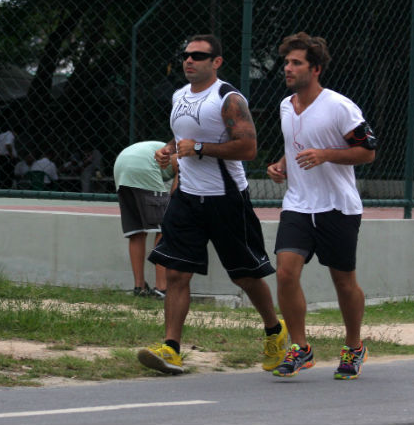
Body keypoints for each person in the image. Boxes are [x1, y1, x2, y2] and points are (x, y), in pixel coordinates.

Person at [137, 34, 289, 375]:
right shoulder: (179, 96)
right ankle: (171, 349)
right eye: (186, 55)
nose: (189, 60)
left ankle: (274, 331)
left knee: (246, 277)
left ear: (216, 62)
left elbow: (247, 148)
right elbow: (183, 137)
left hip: (227, 199)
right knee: (176, 272)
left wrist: (200, 148)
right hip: (187, 197)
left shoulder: (228, 99)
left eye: (198, 56)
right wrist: (169, 149)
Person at [267, 32, 377, 379]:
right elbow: (296, 143)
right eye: (286, 62)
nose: (288, 68)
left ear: (315, 69)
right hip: (298, 204)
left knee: (343, 282)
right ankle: (300, 347)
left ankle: (354, 346)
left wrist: (327, 155)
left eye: (296, 63)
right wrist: (281, 165)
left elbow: (368, 152)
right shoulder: (287, 105)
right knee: (285, 272)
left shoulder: (340, 107)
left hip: (337, 207)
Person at [113, 141, 178, 299]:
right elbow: (175, 193)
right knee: (163, 229)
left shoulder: (162, 146)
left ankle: (139, 286)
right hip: (143, 166)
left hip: (121, 166)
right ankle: (162, 288)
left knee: (137, 232)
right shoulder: (186, 158)